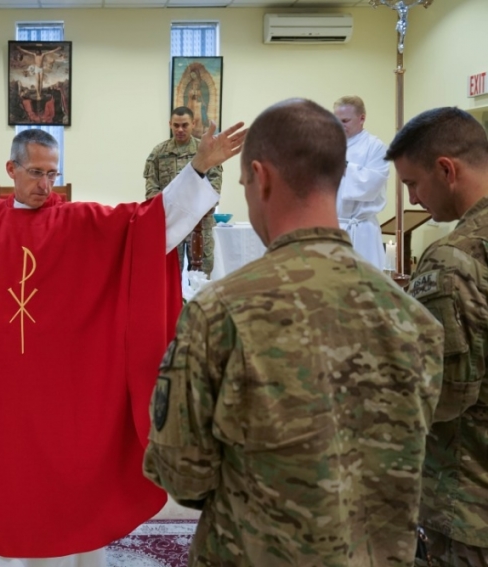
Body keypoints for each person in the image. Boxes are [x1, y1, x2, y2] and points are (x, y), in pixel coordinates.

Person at [0, 123, 246, 567]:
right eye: (36, 173)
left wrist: (199, 167)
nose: (45, 185)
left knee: (68, 495)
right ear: (11, 169)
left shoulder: (82, 225)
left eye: (53, 175)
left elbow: (148, 224)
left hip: (62, 399)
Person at [143, 98, 444, 566]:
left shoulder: (220, 312)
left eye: (243, 183)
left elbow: (181, 473)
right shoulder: (415, 319)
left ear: (260, 178)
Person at [386, 107, 488, 566]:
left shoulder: (453, 259)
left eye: (411, 183)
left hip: (470, 500)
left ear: (447, 169)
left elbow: (443, 394)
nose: (412, 197)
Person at [144, 106, 223, 277]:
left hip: (200, 222)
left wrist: (200, 208)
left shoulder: (204, 152)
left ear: (193, 124)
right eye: (176, 125)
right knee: (168, 273)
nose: (180, 130)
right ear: (170, 124)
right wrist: (163, 209)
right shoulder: (159, 153)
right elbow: (151, 188)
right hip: (170, 223)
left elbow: (214, 184)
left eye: (185, 125)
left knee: (203, 273)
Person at [333, 95, 389, 270]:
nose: (339, 125)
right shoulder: (328, 144)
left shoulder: (375, 147)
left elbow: (372, 184)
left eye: (345, 120)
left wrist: (343, 165)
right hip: (334, 226)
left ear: (362, 118)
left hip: (362, 230)